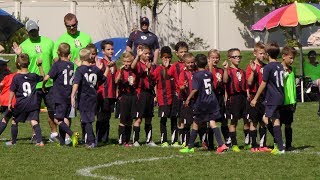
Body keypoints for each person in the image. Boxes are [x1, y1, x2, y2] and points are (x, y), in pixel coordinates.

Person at [12, 20, 57, 142]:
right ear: (27, 32)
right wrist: (19, 54)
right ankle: (35, 134)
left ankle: (54, 133)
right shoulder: (23, 46)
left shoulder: (49, 42)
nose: (33, 33)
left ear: (39, 29)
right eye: (31, 31)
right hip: (32, 85)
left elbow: (55, 60)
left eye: (35, 30)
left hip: (48, 83)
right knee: (33, 112)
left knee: (51, 109)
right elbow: (19, 66)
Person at [179, 54, 228, 154]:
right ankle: (221, 144)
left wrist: (188, 98)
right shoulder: (208, 74)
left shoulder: (196, 75)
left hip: (202, 103)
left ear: (196, 63)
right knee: (212, 122)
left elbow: (195, 89)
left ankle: (190, 147)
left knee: (196, 123)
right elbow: (209, 75)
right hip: (212, 101)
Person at [251, 42, 285, 155]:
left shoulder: (268, 67)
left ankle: (280, 146)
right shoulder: (280, 65)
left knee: (272, 120)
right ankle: (279, 143)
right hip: (280, 95)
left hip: (273, 97)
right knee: (270, 119)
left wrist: (255, 98)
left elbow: (263, 84)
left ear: (267, 54)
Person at [42, 43, 79, 147]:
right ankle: (63, 142)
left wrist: (44, 85)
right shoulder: (71, 64)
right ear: (69, 54)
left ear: (58, 52)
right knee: (64, 118)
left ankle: (72, 134)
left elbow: (46, 77)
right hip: (69, 95)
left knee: (57, 119)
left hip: (59, 96)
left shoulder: (57, 65)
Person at [71, 48, 107, 148]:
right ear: (90, 57)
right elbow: (103, 78)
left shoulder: (79, 69)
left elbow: (76, 83)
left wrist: (72, 95)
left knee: (85, 120)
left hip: (84, 97)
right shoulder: (95, 69)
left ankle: (91, 141)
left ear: (81, 58)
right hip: (93, 97)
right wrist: (105, 69)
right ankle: (87, 139)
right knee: (89, 120)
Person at [6, 54, 44, 146]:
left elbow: (12, 90)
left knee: (15, 121)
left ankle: (13, 141)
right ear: (29, 63)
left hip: (21, 103)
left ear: (18, 64)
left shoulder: (17, 77)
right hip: (33, 103)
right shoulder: (33, 76)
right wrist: (39, 66)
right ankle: (40, 141)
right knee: (34, 121)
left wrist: (10, 102)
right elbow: (43, 76)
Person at [245, 42, 271, 152]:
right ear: (254, 53)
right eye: (260, 53)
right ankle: (254, 144)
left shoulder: (265, 66)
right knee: (254, 122)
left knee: (263, 122)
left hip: (264, 97)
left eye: (264, 53)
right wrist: (254, 72)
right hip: (254, 97)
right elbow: (249, 83)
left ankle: (263, 144)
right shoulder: (251, 67)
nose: (262, 55)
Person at [151, 46, 179, 147]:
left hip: (174, 98)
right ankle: (164, 140)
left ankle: (175, 140)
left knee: (174, 119)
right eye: (164, 57)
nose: (166, 59)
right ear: (161, 58)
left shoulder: (174, 67)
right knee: (163, 119)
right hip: (163, 99)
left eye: (168, 57)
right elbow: (152, 80)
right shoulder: (159, 69)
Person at [131, 44, 156, 147]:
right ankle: (135, 140)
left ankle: (149, 140)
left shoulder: (150, 65)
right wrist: (137, 56)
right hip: (140, 93)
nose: (148, 55)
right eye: (145, 53)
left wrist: (155, 95)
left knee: (149, 118)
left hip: (149, 93)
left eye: (149, 53)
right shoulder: (138, 63)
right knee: (139, 118)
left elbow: (154, 80)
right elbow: (132, 67)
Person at [223, 48, 247, 152]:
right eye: (235, 57)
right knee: (234, 121)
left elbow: (246, 86)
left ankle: (248, 142)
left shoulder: (242, 71)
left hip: (243, 97)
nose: (238, 58)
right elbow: (225, 80)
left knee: (247, 120)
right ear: (229, 58)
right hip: (234, 98)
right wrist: (225, 69)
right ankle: (234, 144)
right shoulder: (228, 71)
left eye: (239, 56)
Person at [167, 41, 189, 147]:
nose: (183, 54)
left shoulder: (190, 64)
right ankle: (176, 140)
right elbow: (167, 76)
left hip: (188, 96)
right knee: (177, 117)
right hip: (178, 95)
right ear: (176, 53)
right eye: (181, 52)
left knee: (186, 118)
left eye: (185, 51)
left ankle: (185, 140)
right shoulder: (174, 66)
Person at [115, 51, 139, 146]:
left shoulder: (134, 70)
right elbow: (116, 81)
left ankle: (127, 140)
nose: (126, 64)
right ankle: (121, 140)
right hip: (124, 97)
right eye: (124, 61)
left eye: (128, 61)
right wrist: (120, 73)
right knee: (123, 119)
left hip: (133, 96)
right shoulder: (121, 70)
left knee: (130, 119)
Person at [95, 40, 117, 145]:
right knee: (101, 117)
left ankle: (105, 138)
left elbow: (115, 80)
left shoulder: (114, 64)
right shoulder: (101, 62)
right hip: (103, 94)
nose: (111, 51)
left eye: (112, 49)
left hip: (111, 94)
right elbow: (98, 78)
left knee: (107, 117)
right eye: (108, 49)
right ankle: (99, 138)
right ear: (103, 51)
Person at [207, 49, 229, 148]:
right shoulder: (207, 69)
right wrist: (210, 66)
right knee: (212, 121)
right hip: (212, 97)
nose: (215, 60)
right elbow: (210, 78)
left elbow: (225, 81)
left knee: (224, 120)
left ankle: (228, 141)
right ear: (209, 59)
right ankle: (210, 143)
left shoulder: (220, 70)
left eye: (217, 58)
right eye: (213, 58)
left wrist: (225, 69)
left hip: (220, 97)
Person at [280, 46, 297, 151]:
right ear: (283, 56)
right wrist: (283, 73)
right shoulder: (279, 69)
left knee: (288, 124)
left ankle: (289, 144)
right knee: (277, 124)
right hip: (281, 102)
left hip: (291, 102)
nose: (292, 60)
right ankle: (279, 143)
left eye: (293, 58)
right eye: (290, 58)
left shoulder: (292, 69)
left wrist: (295, 100)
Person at [178, 53, 195, 147]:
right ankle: (186, 141)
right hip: (186, 101)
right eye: (188, 63)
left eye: (192, 62)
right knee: (187, 122)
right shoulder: (183, 73)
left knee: (197, 122)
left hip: (195, 100)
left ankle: (201, 141)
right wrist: (184, 86)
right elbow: (179, 86)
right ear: (184, 63)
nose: (190, 64)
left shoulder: (196, 72)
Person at [0, 58, 17, 137]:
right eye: (4, 65)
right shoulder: (6, 76)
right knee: (14, 120)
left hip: (4, 101)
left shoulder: (7, 75)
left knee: (6, 118)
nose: (7, 67)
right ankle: (13, 141)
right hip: (11, 100)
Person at [304, 50, 320, 116]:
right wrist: (300, 47)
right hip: (310, 81)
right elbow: (301, 57)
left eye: (314, 56)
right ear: (308, 57)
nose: (312, 57)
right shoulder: (305, 64)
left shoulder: (319, 65)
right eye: (311, 56)